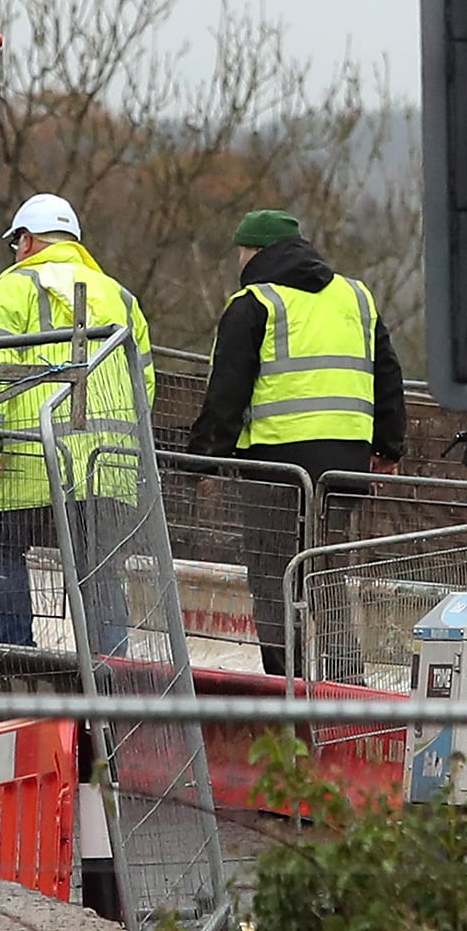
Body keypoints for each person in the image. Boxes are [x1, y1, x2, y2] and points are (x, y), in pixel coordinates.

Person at [185, 208, 407, 678]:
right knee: (325, 569)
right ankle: (346, 678)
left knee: (272, 573)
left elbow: (226, 393)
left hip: (277, 464)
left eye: (241, 253)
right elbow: (387, 374)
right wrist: (387, 449)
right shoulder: (355, 295)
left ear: (255, 252)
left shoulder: (253, 302)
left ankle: (286, 678)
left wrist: (202, 463)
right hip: (346, 461)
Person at [0, 193, 153, 657]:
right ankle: (112, 665)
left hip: (34, 457)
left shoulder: (12, 288)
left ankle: (17, 653)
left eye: (16, 243)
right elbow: (145, 383)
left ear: (27, 240)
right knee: (98, 564)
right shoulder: (120, 296)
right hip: (106, 466)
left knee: (0, 545)